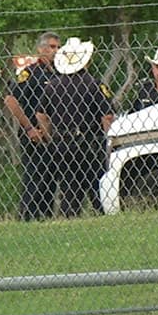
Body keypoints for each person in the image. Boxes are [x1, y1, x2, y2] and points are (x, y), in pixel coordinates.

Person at [37, 37, 114, 218]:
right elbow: (107, 116)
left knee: (69, 186)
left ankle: (70, 217)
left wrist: (50, 136)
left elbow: (41, 115)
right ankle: (102, 214)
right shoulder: (95, 85)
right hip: (90, 141)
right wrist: (109, 140)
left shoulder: (53, 86)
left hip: (62, 142)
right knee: (96, 183)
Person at [4, 31, 61, 221]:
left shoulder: (60, 73)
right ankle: (26, 216)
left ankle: (45, 216)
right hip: (34, 134)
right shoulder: (31, 73)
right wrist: (28, 128)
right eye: (52, 47)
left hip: (54, 134)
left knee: (51, 178)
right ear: (41, 49)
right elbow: (11, 100)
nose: (55, 51)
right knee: (35, 177)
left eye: (58, 47)